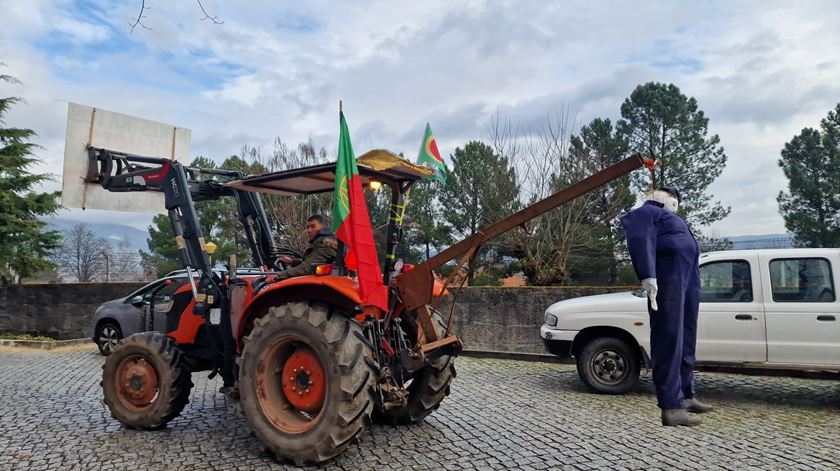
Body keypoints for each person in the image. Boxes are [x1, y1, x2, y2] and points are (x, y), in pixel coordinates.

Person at [620, 187, 714, 427]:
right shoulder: (647, 212)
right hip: (668, 279)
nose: (676, 201)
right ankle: (671, 406)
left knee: (686, 338)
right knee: (669, 337)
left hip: (687, 279)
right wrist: (648, 275)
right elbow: (640, 238)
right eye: (672, 197)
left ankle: (686, 394)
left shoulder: (671, 218)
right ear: (658, 197)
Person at [273, 215, 338, 280]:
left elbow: (307, 268)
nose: (309, 230)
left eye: (313, 226)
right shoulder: (321, 242)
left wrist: (278, 275)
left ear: (323, 227)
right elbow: (313, 263)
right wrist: (292, 261)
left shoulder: (325, 244)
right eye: (308, 227)